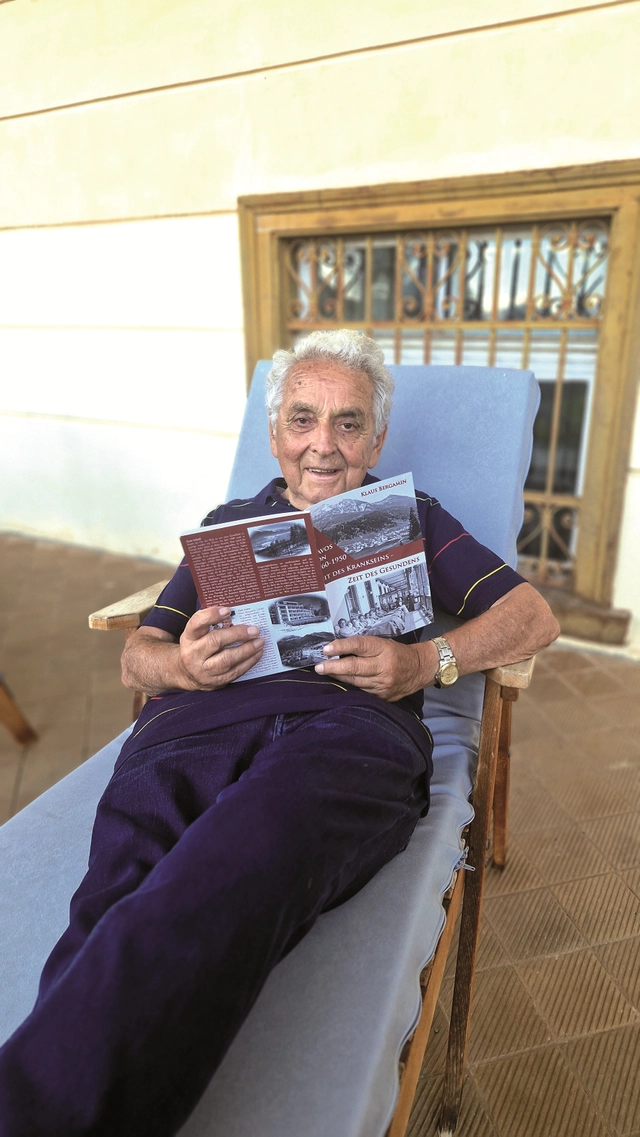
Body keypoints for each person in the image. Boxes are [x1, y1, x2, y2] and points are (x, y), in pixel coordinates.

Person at [0, 331, 559, 1137]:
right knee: (111, 899)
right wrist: (183, 664)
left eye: (348, 422)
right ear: (275, 435)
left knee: (232, 863)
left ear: (376, 439)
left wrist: (426, 661)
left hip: (347, 733)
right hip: (192, 730)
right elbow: (138, 658)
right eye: (303, 419)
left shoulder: (413, 520)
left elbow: (530, 616)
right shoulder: (228, 527)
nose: (323, 445)